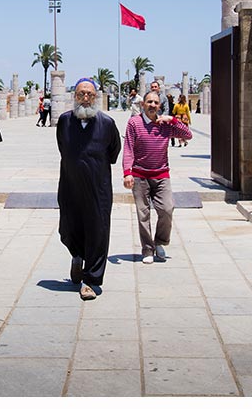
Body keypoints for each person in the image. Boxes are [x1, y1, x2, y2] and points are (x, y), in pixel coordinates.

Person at [56, 78, 122, 301]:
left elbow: (114, 152)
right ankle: (77, 255)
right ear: (74, 96)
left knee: (98, 230)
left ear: (96, 97)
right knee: (69, 225)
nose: (85, 98)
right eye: (81, 94)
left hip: (98, 189)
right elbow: (63, 148)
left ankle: (91, 281)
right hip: (70, 185)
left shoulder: (107, 123)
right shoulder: (64, 121)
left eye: (90, 95)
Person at [123, 90, 192, 264]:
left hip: (161, 175)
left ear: (159, 106)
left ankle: (160, 242)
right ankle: (147, 249)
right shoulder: (134, 123)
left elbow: (187, 135)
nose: (152, 105)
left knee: (167, 209)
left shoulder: (165, 124)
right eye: (149, 102)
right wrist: (127, 173)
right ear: (142, 104)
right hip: (140, 176)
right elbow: (128, 149)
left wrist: (172, 120)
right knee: (143, 214)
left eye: (155, 103)